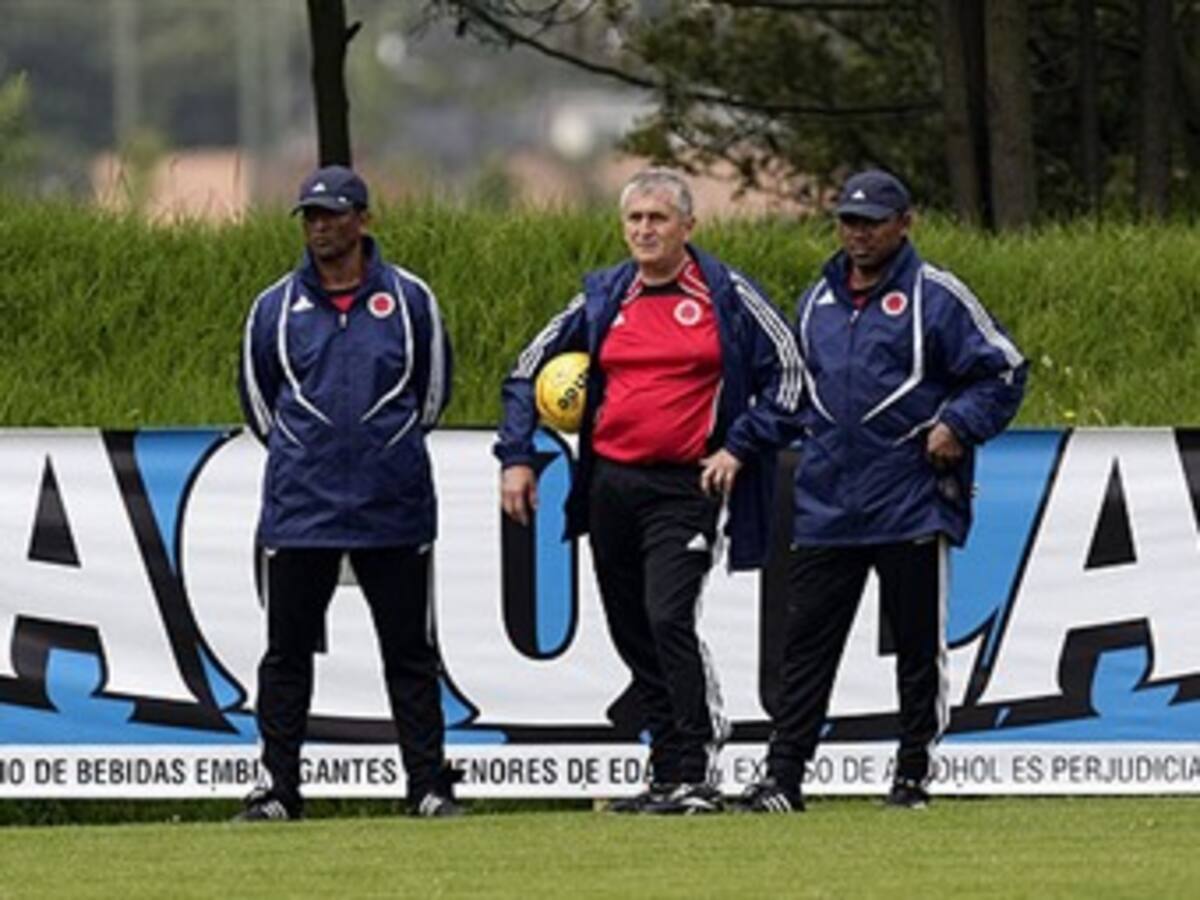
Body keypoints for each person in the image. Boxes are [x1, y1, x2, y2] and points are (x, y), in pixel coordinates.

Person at [495, 168, 803, 814]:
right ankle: (667, 772)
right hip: (609, 483)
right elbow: (525, 372)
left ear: (688, 227)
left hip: (686, 485)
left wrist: (739, 446)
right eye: (634, 220)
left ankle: (697, 764)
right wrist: (517, 458)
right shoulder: (606, 296)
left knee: (668, 615)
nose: (644, 231)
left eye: (658, 218)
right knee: (630, 625)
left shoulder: (725, 293)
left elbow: (791, 376)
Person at [736, 170, 1028, 813]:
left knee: (917, 648)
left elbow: (1004, 370)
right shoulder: (816, 299)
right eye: (848, 220)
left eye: (872, 221)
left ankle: (912, 774)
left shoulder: (937, 294)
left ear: (905, 222)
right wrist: (737, 442)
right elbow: (791, 393)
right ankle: (783, 779)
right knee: (805, 648)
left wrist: (958, 423)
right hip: (826, 503)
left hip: (910, 499)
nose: (858, 233)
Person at [236, 165, 460, 820]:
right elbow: (260, 406)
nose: (319, 227)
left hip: (393, 506)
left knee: (410, 654)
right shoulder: (274, 306)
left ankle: (425, 785)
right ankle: (278, 788)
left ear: (363, 220)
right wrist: (311, 455)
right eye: (309, 216)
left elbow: (432, 394)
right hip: (301, 509)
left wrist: (381, 452)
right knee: (286, 656)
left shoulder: (411, 299)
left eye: (332, 215)